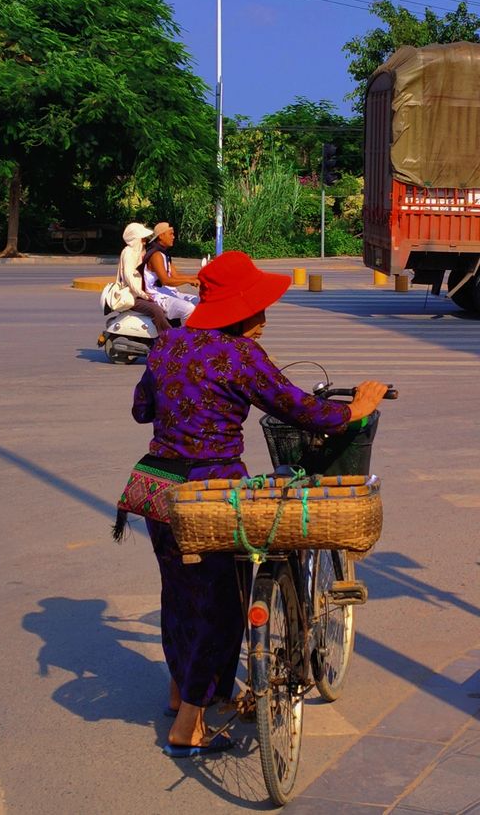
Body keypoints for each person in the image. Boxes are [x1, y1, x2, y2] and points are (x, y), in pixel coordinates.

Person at [131, 251, 389, 758]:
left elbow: (142, 410)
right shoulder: (239, 356)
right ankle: (189, 723)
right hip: (212, 492)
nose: (264, 322)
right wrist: (359, 407)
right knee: (223, 607)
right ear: (236, 311)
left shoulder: (167, 347)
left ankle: (179, 689)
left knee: (180, 593)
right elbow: (301, 410)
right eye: (258, 311)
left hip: (160, 485)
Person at [114, 223, 170, 333]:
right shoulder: (129, 253)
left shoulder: (140, 252)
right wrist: (143, 294)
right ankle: (168, 338)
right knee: (156, 310)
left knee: (168, 307)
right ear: (135, 239)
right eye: (142, 238)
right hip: (133, 297)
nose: (145, 240)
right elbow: (129, 277)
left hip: (140, 294)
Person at [141, 222, 199, 323]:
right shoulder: (156, 255)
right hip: (157, 296)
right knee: (188, 308)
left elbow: (176, 276)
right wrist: (189, 281)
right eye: (171, 234)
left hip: (167, 292)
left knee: (198, 301)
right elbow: (165, 280)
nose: (173, 237)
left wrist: (198, 276)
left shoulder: (164, 254)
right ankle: (184, 337)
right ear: (161, 236)